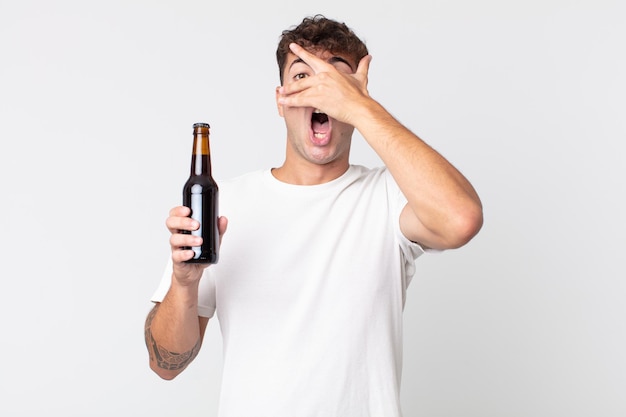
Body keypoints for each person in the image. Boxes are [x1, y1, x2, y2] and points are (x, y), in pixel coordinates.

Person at [145, 14, 483, 416]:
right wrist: (184, 284)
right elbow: (166, 363)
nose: (320, 92)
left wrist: (361, 107)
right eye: (304, 76)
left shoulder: (389, 198)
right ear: (280, 99)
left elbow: (461, 219)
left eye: (336, 80)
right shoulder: (225, 204)